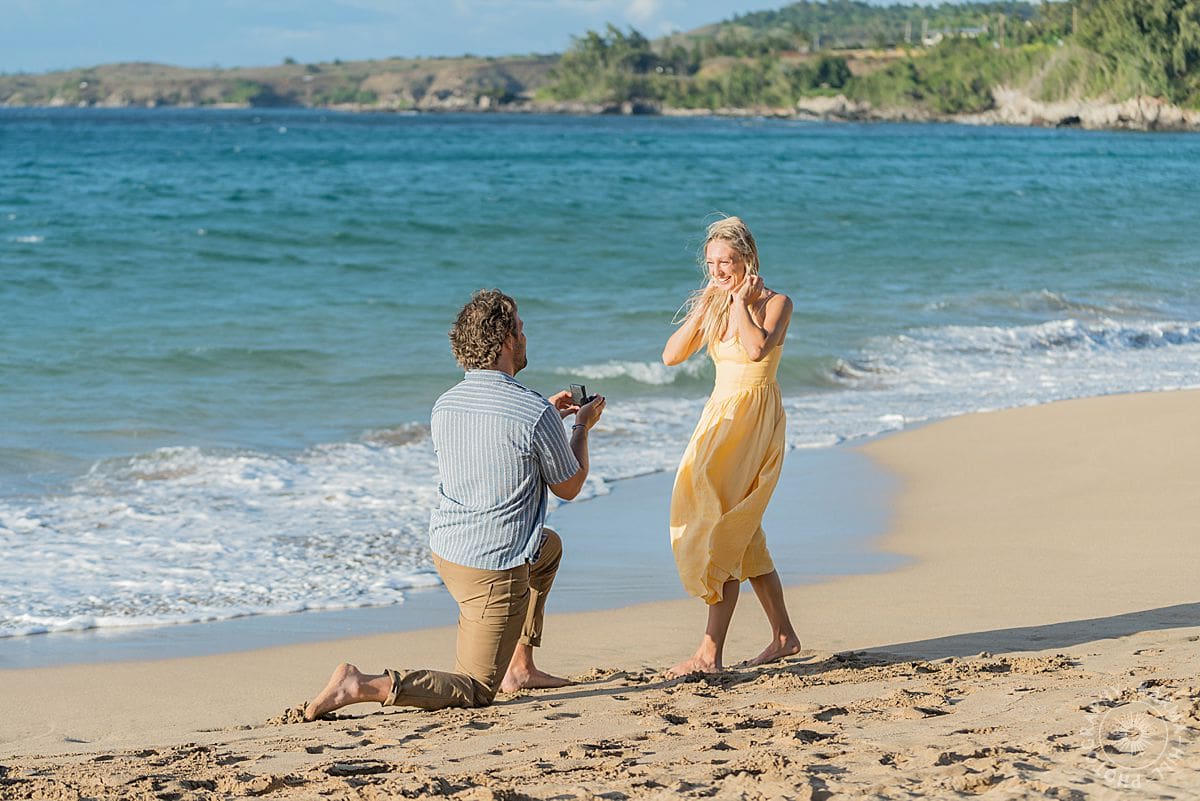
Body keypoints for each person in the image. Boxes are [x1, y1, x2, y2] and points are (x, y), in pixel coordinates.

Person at [304, 289, 605, 720]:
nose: (525, 336)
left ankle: (520, 667)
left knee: (547, 549)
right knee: (476, 689)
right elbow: (569, 485)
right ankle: (361, 684)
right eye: (520, 329)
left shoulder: (446, 403)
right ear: (506, 341)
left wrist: (549, 419)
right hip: (493, 567)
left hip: (448, 550)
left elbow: (497, 447)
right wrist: (580, 428)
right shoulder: (531, 410)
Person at [661, 215, 802, 677]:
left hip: (753, 421)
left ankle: (709, 652)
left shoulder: (777, 303)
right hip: (719, 420)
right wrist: (707, 305)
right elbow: (671, 355)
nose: (718, 270)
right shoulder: (715, 303)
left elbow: (757, 349)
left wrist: (740, 302)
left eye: (726, 261)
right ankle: (784, 636)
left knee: (723, 526)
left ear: (748, 259)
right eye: (711, 263)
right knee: (742, 529)